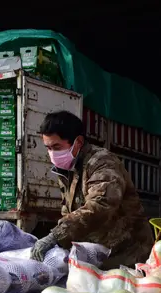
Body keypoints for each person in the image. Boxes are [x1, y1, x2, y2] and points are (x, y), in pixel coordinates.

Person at [31, 111, 153, 270]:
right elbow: (69, 210)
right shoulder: (69, 169)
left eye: (57, 147)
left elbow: (101, 204)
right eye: (48, 148)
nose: (52, 154)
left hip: (128, 254)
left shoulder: (102, 162)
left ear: (78, 142)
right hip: (101, 253)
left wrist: (57, 235)